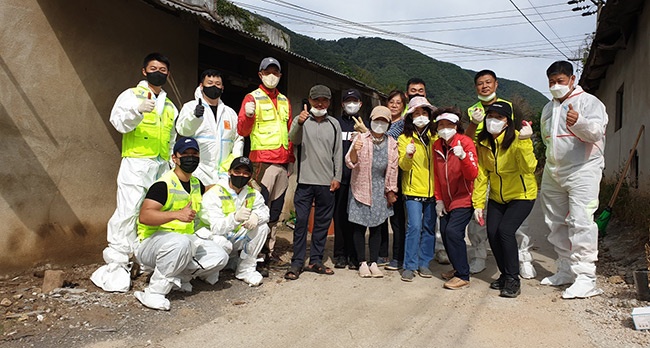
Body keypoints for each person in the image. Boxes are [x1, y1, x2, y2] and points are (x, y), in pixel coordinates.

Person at [92, 53, 178, 293]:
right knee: (128, 210)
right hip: (137, 162)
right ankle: (118, 262)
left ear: (168, 74)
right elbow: (118, 122)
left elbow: (171, 137)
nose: (158, 72)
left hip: (161, 165)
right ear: (144, 71)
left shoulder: (170, 106)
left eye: (163, 69)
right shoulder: (131, 95)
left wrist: (171, 163)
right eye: (153, 68)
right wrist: (137, 111)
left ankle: (144, 260)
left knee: (153, 212)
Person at [134, 137, 229, 310]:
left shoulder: (195, 183)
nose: (190, 157)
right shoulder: (163, 185)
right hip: (151, 244)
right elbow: (145, 216)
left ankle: (179, 277)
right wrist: (176, 215)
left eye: (194, 153)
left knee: (220, 256)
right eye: (185, 154)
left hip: (182, 243)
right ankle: (154, 292)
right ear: (174, 158)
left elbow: (204, 189)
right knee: (181, 242)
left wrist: (224, 186)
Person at [539, 60, 608, 299]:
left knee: (581, 221)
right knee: (555, 221)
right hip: (554, 171)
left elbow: (596, 132)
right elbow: (547, 139)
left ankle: (586, 277)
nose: (556, 86)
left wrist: (579, 122)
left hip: (583, 170)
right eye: (551, 82)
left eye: (560, 81)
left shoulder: (589, 102)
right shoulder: (548, 108)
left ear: (572, 79)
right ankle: (565, 269)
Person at [463, 70, 537, 278]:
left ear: (496, 84)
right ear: (475, 87)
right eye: (480, 83)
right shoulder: (472, 110)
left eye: (488, 82)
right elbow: (467, 140)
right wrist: (474, 123)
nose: (484, 86)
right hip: (483, 167)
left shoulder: (510, 107)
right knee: (481, 222)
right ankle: (479, 256)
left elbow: (521, 133)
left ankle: (523, 258)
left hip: (513, 171)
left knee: (516, 225)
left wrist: (525, 142)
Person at [473, 101, 537, 298]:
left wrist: (526, 141)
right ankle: (504, 274)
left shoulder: (518, 139)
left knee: (505, 231)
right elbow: (482, 174)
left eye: (499, 117)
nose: (493, 120)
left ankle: (513, 279)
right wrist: (477, 203)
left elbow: (529, 168)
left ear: (508, 122)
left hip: (522, 195)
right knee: (492, 233)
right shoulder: (483, 143)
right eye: (490, 116)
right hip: (497, 197)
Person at [238, 57, 294, 268]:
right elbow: (242, 131)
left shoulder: (284, 101)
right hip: (262, 162)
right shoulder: (252, 98)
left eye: (275, 72)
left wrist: (290, 162)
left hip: (282, 163)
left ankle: (268, 252)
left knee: (276, 211)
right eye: (267, 72)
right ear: (260, 74)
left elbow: (288, 133)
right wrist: (249, 116)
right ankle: (254, 253)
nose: (272, 76)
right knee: (260, 207)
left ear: (280, 75)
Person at [285, 85, 342, 280]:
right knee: (301, 222)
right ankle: (297, 262)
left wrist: (337, 177)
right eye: (316, 99)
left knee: (321, 223)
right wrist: (299, 123)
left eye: (324, 100)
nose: (320, 103)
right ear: (309, 100)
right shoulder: (301, 120)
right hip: (304, 181)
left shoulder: (334, 123)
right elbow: (293, 139)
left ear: (329, 102)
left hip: (327, 183)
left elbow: (338, 153)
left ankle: (316, 260)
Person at [198, 156, 270, 287]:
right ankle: (212, 269)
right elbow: (216, 227)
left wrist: (256, 216)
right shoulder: (214, 193)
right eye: (237, 171)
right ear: (229, 172)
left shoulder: (252, 193)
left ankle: (245, 269)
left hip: (237, 237)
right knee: (221, 244)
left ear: (250, 175)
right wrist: (235, 218)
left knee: (262, 227)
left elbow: (265, 212)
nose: (241, 175)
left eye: (246, 172)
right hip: (215, 237)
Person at [345, 106, 399, 278]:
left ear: (389, 124)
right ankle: (362, 262)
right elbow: (349, 162)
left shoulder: (391, 143)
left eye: (384, 121)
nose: (380, 124)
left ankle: (374, 262)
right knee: (359, 227)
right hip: (360, 188)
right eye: (377, 120)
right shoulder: (361, 138)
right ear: (371, 120)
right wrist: (354, 149)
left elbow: (393, 169)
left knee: (377, 227)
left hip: (379, 189)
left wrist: (391, 190)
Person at [433, 108, 478, 289]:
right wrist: (438, 199)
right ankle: (458, 266)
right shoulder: (437, 145)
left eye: (449, 125)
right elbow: (436, 175)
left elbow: (472, 174)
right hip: (446, 199)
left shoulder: (465, 143)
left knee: (453, 232)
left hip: (463, 198)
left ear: (456, 126)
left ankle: (463, 275)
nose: (444, 128)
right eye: (441, 125)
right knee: (444, 232)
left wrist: (463, 157)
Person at [176, 69, 244, 185]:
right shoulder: (190, 107)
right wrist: (195, 117)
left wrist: (233, 163)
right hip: (198, 171)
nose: (214, 87)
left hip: (223, 174)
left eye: (217, 84)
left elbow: (238, 139)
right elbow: (183, 131)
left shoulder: (230, 113)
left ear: (222, 88)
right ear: (201, 86)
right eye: (210, 83)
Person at [397, 97, 437, 282]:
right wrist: (408, 155)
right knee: (414, 226)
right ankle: (409, 265)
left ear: (430, 115)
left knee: (429, 228)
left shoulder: (435, 137)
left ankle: (424, 263)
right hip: (413, 190)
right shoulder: (404, 138)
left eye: (424, 113)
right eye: (417, 113)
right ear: (410, 117)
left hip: (433, 192)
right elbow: (403, 166)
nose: (420, 117)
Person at [333, 88, 366, 270]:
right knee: (339, 218)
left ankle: (355, 255)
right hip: (341, 178)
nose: (351, 104)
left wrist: (364, 132)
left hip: (358, 180)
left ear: (360, 104)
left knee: (356, 219)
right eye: (348, 101)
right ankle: (340, 254)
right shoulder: (336, 123)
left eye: (355, 101)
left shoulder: (364, 124)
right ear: (342, 104)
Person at [384, 90, 409, 271]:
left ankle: (398, 256)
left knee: (398, 217)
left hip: (397, 174)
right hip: (379, 174)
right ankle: (382, 253)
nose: (394, 105)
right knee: (380, 216)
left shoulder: (403, 124)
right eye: (391, 102)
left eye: (398, 102)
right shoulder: (380, 121)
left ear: (403, 106)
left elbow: (385, 142)